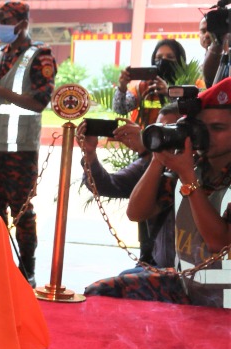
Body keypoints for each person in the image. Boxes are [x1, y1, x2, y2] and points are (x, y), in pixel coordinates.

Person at [86, 78, 231, 307]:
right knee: (101, 292)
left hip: (225, 296)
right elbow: (136, 212)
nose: (208, 135)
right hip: (187, 286)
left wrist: (188, 177)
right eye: (203, 128)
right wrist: (158, 157)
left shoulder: (190, 173)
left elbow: (219, 243)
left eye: (218, 128)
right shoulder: (195, 168)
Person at [0, 0, 57, 285]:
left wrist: (0, 91)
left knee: (21, 210)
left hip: (20, 148)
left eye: (6, 22)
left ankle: (27, 271)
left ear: (22, 24)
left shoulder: (40, 55)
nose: (1, 27)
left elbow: (39, 101)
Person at [78, 113, 174, 268]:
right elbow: (107, 185)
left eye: (170, 131)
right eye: (157, 130)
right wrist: (90, 154)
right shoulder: (150, 161)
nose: (161, 136)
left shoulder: (199, 169)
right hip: (153, 263)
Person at [112, 38, 186, 122]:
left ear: (180, 60)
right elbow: (120, 109)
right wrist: (122, 88)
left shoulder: (191, 83)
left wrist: (169, 93)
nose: (163, 61)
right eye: (159, 57)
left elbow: (192, 110)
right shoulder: (144, 87)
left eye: (170, 57)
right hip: (148, 134)